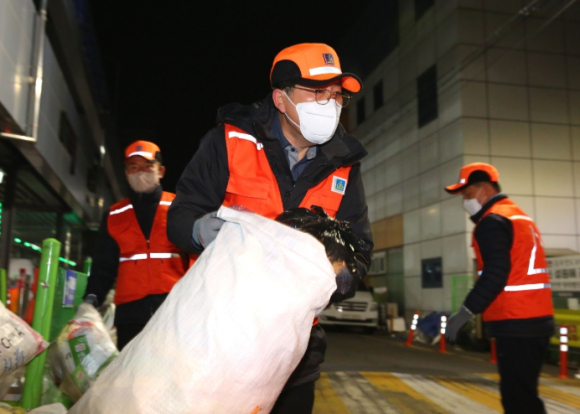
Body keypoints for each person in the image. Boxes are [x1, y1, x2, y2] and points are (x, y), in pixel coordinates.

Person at [167, 43, 373, 413]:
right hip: (217, 340)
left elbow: (360, 248)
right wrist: (202, 231)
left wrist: (337, 276)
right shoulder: (229, 141)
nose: (329, 103)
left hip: (293, 352)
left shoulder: (345, 164)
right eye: (316, 92)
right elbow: (180, 217)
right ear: (281, 99)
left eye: (336, 94)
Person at [444, 162, 554, 414]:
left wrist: (464, 313)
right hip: (537, 318)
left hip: (516, 322)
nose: (465, 202)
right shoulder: (518, 216)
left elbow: (495, 274)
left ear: (485, 189)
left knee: (518, 401)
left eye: (468, 194)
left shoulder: (492, 221)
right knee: (525, 396)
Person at [84, 141, 189, 350]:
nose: (140, 172)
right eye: (134, 167)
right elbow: (103, 266)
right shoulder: (114, 215)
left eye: (148, 166)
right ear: (126, 172)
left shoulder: (179, 208)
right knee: (132, 370)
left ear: (161, 171)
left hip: (174, 309)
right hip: (130, 316)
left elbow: (196, 256)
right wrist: (91, 299)